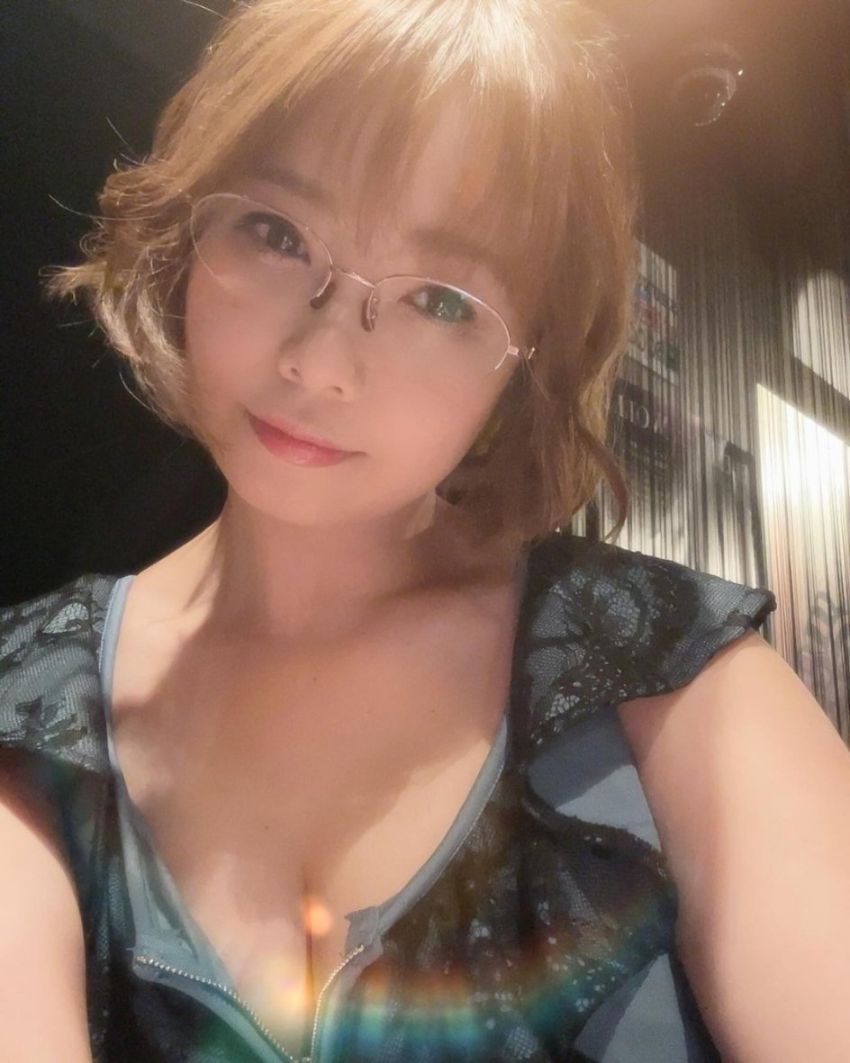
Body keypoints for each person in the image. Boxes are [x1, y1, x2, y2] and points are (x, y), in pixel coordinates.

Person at [2, 1, 850, 1060]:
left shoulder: (678, 683)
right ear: (187, 231)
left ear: (528, 358)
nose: (320, 361)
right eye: (276, 234)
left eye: (441, 301)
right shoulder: (30, 705)